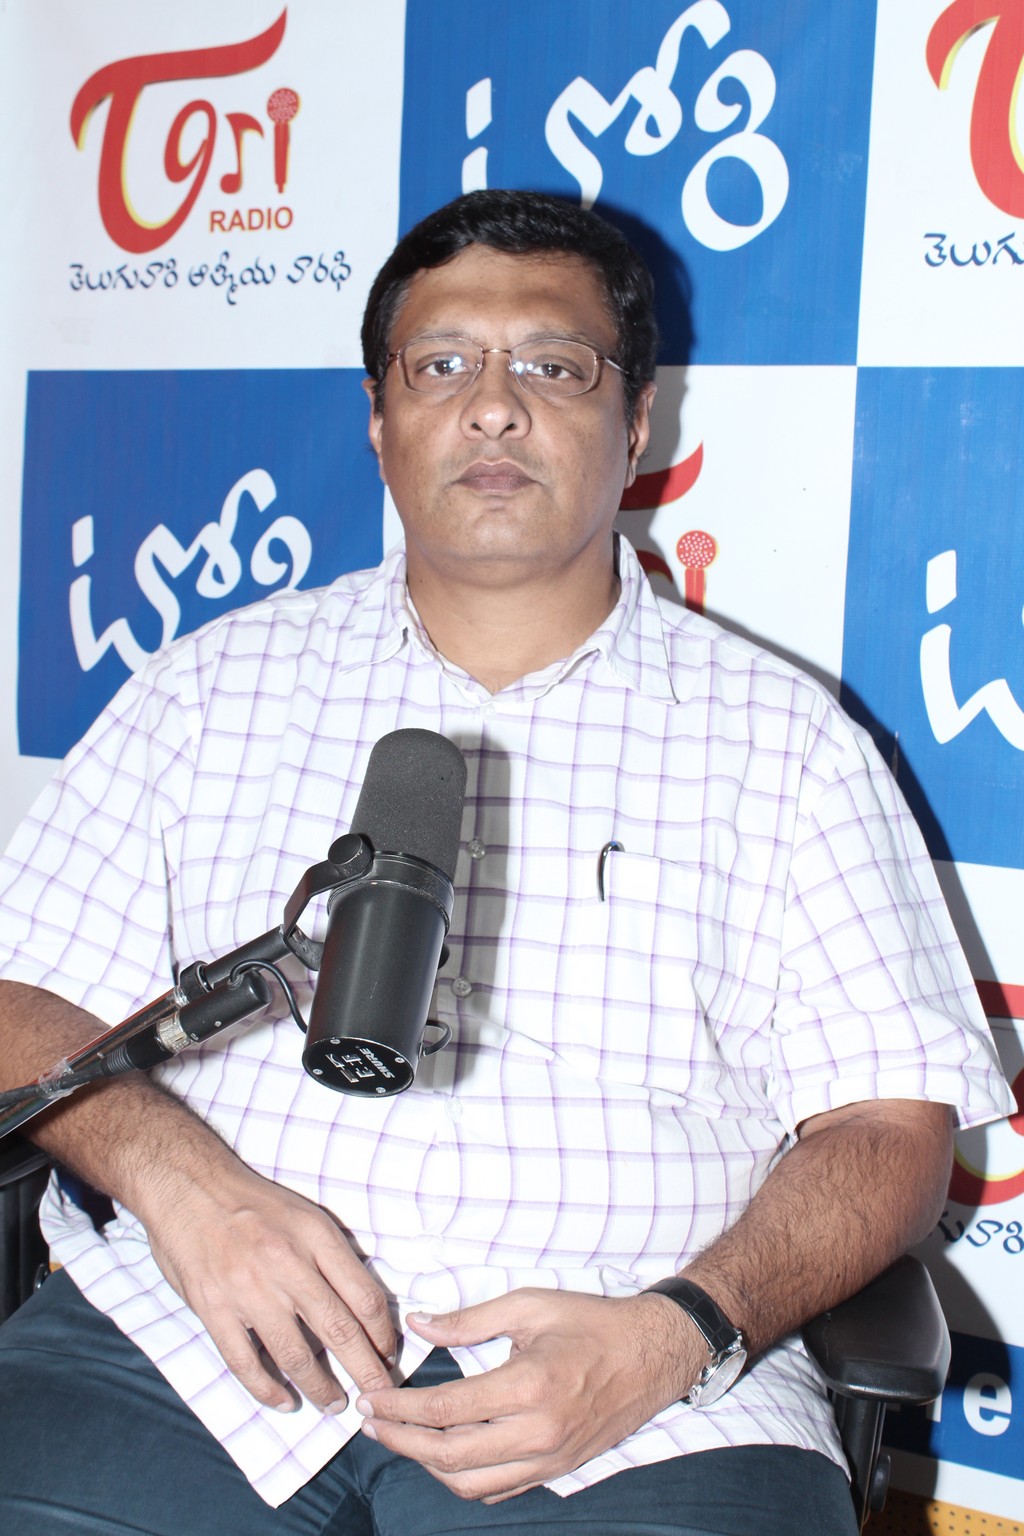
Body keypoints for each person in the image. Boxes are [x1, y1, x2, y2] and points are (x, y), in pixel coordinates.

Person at [0, 190, 1012, 1536]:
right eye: (440, 365)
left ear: (637, 423)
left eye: (552, 365)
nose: (491, 408)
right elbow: (23, 1003)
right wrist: (189, 1190)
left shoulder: (789, 745)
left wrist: (683, 1331)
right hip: (186, 1341)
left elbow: (888, 1129)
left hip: (639, 1394)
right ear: (378, 418)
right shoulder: (207, 690)